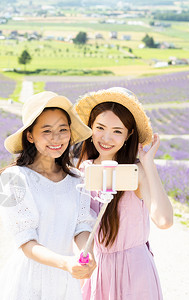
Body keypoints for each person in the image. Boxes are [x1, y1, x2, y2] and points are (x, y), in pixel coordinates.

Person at [0, 91, 97, 300]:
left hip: (65, 281)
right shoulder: (12, 179)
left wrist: (87, 253)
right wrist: (65, 262)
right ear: (30, 135)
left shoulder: (78, 179)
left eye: (62, 130)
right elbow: (25, 241)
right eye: (46, 131)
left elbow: (82, 225)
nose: (56, 138)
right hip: (27, 280)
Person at [74, 87, 173, 300]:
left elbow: (164, 220)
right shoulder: (82, 171)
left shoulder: (135, 173)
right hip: (97, 270)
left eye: (117, 131)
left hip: (134, 271)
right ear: (90, 128)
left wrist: (148, 165)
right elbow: (79, 224)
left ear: (129, 135)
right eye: (100, 127)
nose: (106, 137)